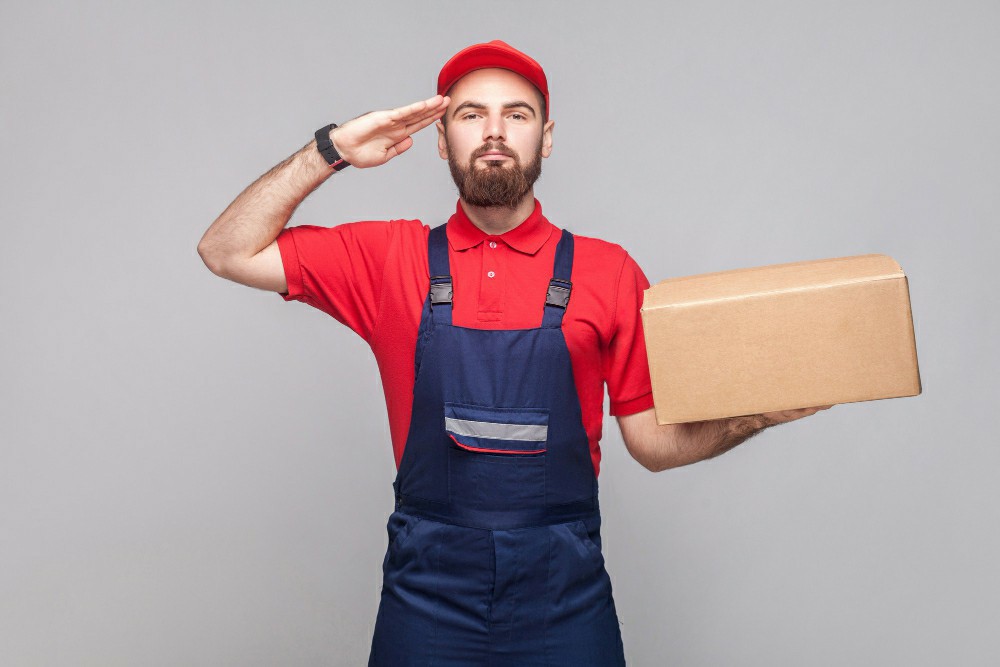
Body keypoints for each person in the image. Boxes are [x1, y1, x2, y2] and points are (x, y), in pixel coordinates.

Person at [198, 40, 831, 667]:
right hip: (427, 600)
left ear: (545, 137)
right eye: (471, 115)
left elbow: (652, 443)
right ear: (442, 140)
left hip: (565, 599)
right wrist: (331, 149)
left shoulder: (608, 272)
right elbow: (226, 250)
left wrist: (761, 415)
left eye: (517, 115)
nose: (494, 132)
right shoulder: (389, 260)